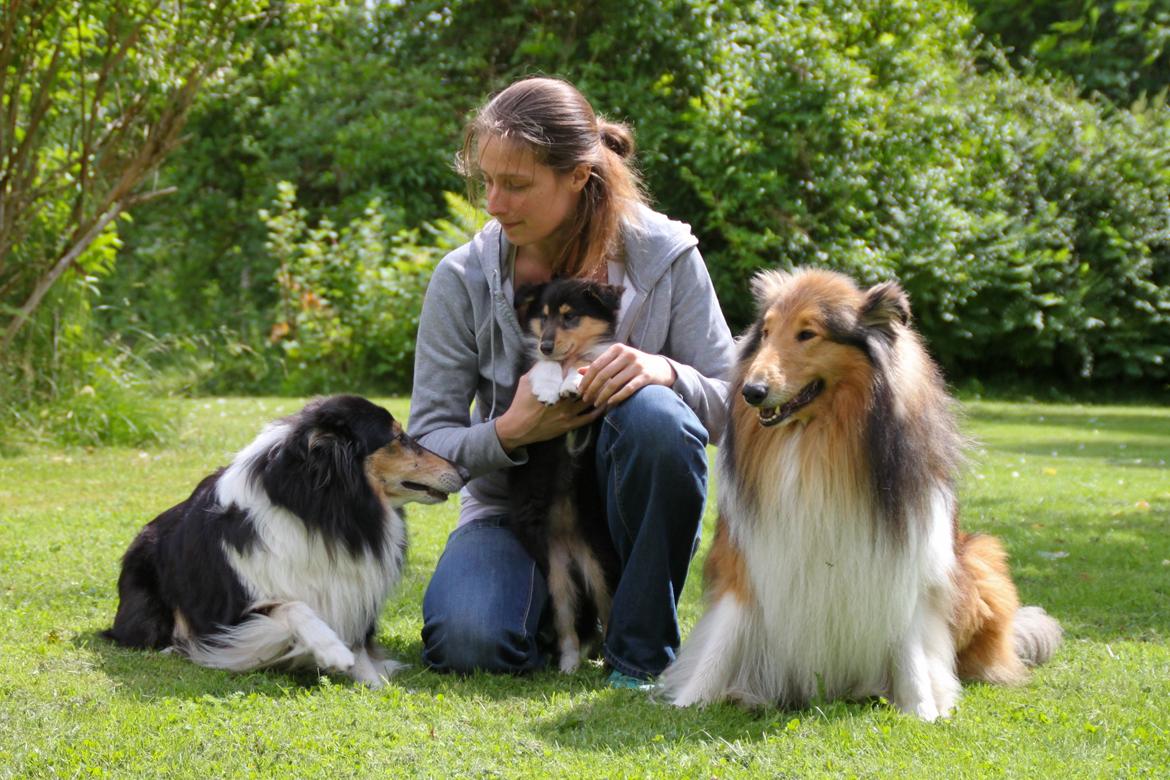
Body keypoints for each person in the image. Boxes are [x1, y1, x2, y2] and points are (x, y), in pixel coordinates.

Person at [408, 76, 734, 686]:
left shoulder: (666, 257)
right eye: (487, 181)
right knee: (470, 642)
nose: (493, 204)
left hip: (627, 522)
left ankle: (639, 654)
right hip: (513, 514)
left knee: (657, 417)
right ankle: (569, 616)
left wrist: (663, 371)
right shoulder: (463, 279)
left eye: (517, 184)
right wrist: (510, 431)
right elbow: (427, 440)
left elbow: (733, 404)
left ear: (579, 176)